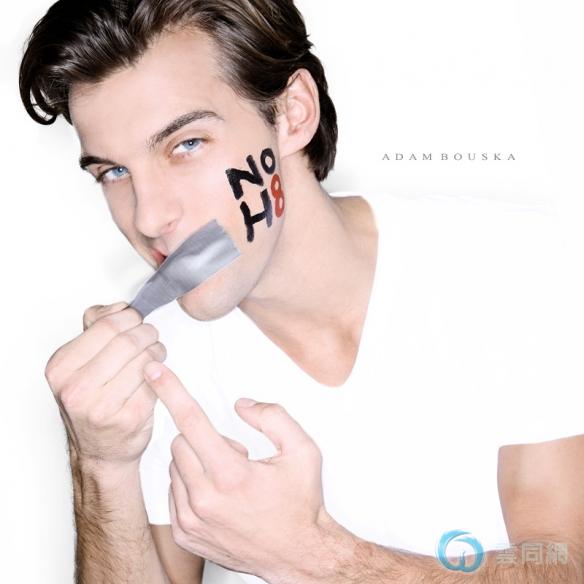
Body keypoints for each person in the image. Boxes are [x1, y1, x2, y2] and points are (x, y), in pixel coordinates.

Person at [19, 1, 584, 583]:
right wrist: (100, 464)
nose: (149, 217)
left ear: (293, 113)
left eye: (186, 144)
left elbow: (569, 564)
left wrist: (312, 557)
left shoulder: (515, 263)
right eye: (113, 172)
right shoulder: (151, 360)